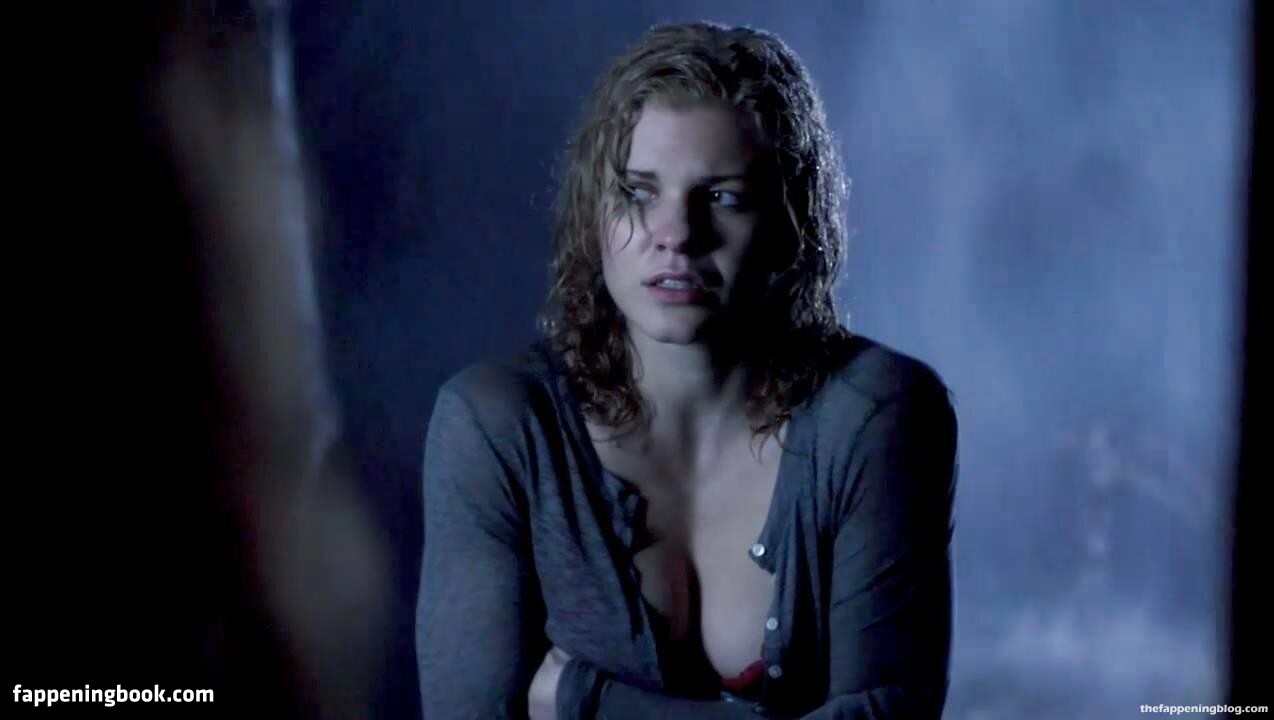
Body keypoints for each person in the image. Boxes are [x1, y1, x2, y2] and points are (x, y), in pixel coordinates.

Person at [416, 21, 958, 720]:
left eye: (722, 197)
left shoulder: (877, 413)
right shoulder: (499, 427)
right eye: (638, 192)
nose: (675, 235)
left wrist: (589, 701)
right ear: (595, 212)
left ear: (789, 221)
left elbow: (891, 714)